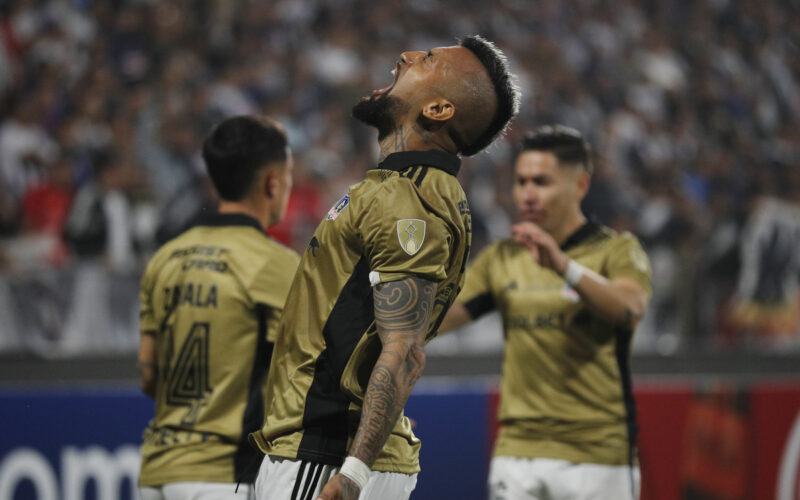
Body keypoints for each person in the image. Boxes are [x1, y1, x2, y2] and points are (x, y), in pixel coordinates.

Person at [249, 35, 520, 500]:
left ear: (437, 110)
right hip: (319, 449)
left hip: (325, 453)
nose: (406, 57)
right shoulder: (406, 188)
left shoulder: (408, 200)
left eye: (427, 61)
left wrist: (353, 473)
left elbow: (406, 348)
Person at [440, 125, 652, 500]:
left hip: (599, 454)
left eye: (541, 182)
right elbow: (438, 321)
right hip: (518, 452)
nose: (527, 194)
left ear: (580, 187)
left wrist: (564, 266)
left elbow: (629, 309)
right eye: (521, 182)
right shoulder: (503, 258)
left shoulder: (617, 250)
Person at [137, 115, 300, 499]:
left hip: (158, 469)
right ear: (272, 182)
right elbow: (299, 379)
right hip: (222, 474)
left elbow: (148, 376)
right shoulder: (276, 265)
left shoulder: (166, 258)